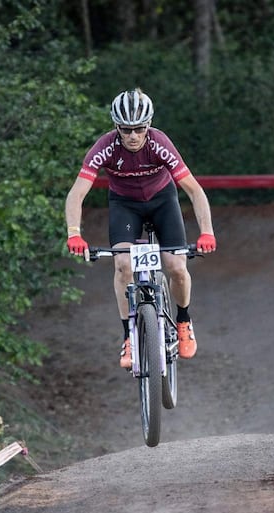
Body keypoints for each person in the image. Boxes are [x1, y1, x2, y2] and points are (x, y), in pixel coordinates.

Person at [65, 88, 216, 369]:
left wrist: (206, 231)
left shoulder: (159, 144)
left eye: (139, 129)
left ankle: (183, 319)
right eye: (126, 129)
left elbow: (194, 190)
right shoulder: (106, 147)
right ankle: (129, 337)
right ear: (116, 127)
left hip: (162, 201)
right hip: (125, 205)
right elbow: (77, 193)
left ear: (148, 125)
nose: (133, 136)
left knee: (176, 266)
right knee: (123, 264)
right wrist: (74, 232)